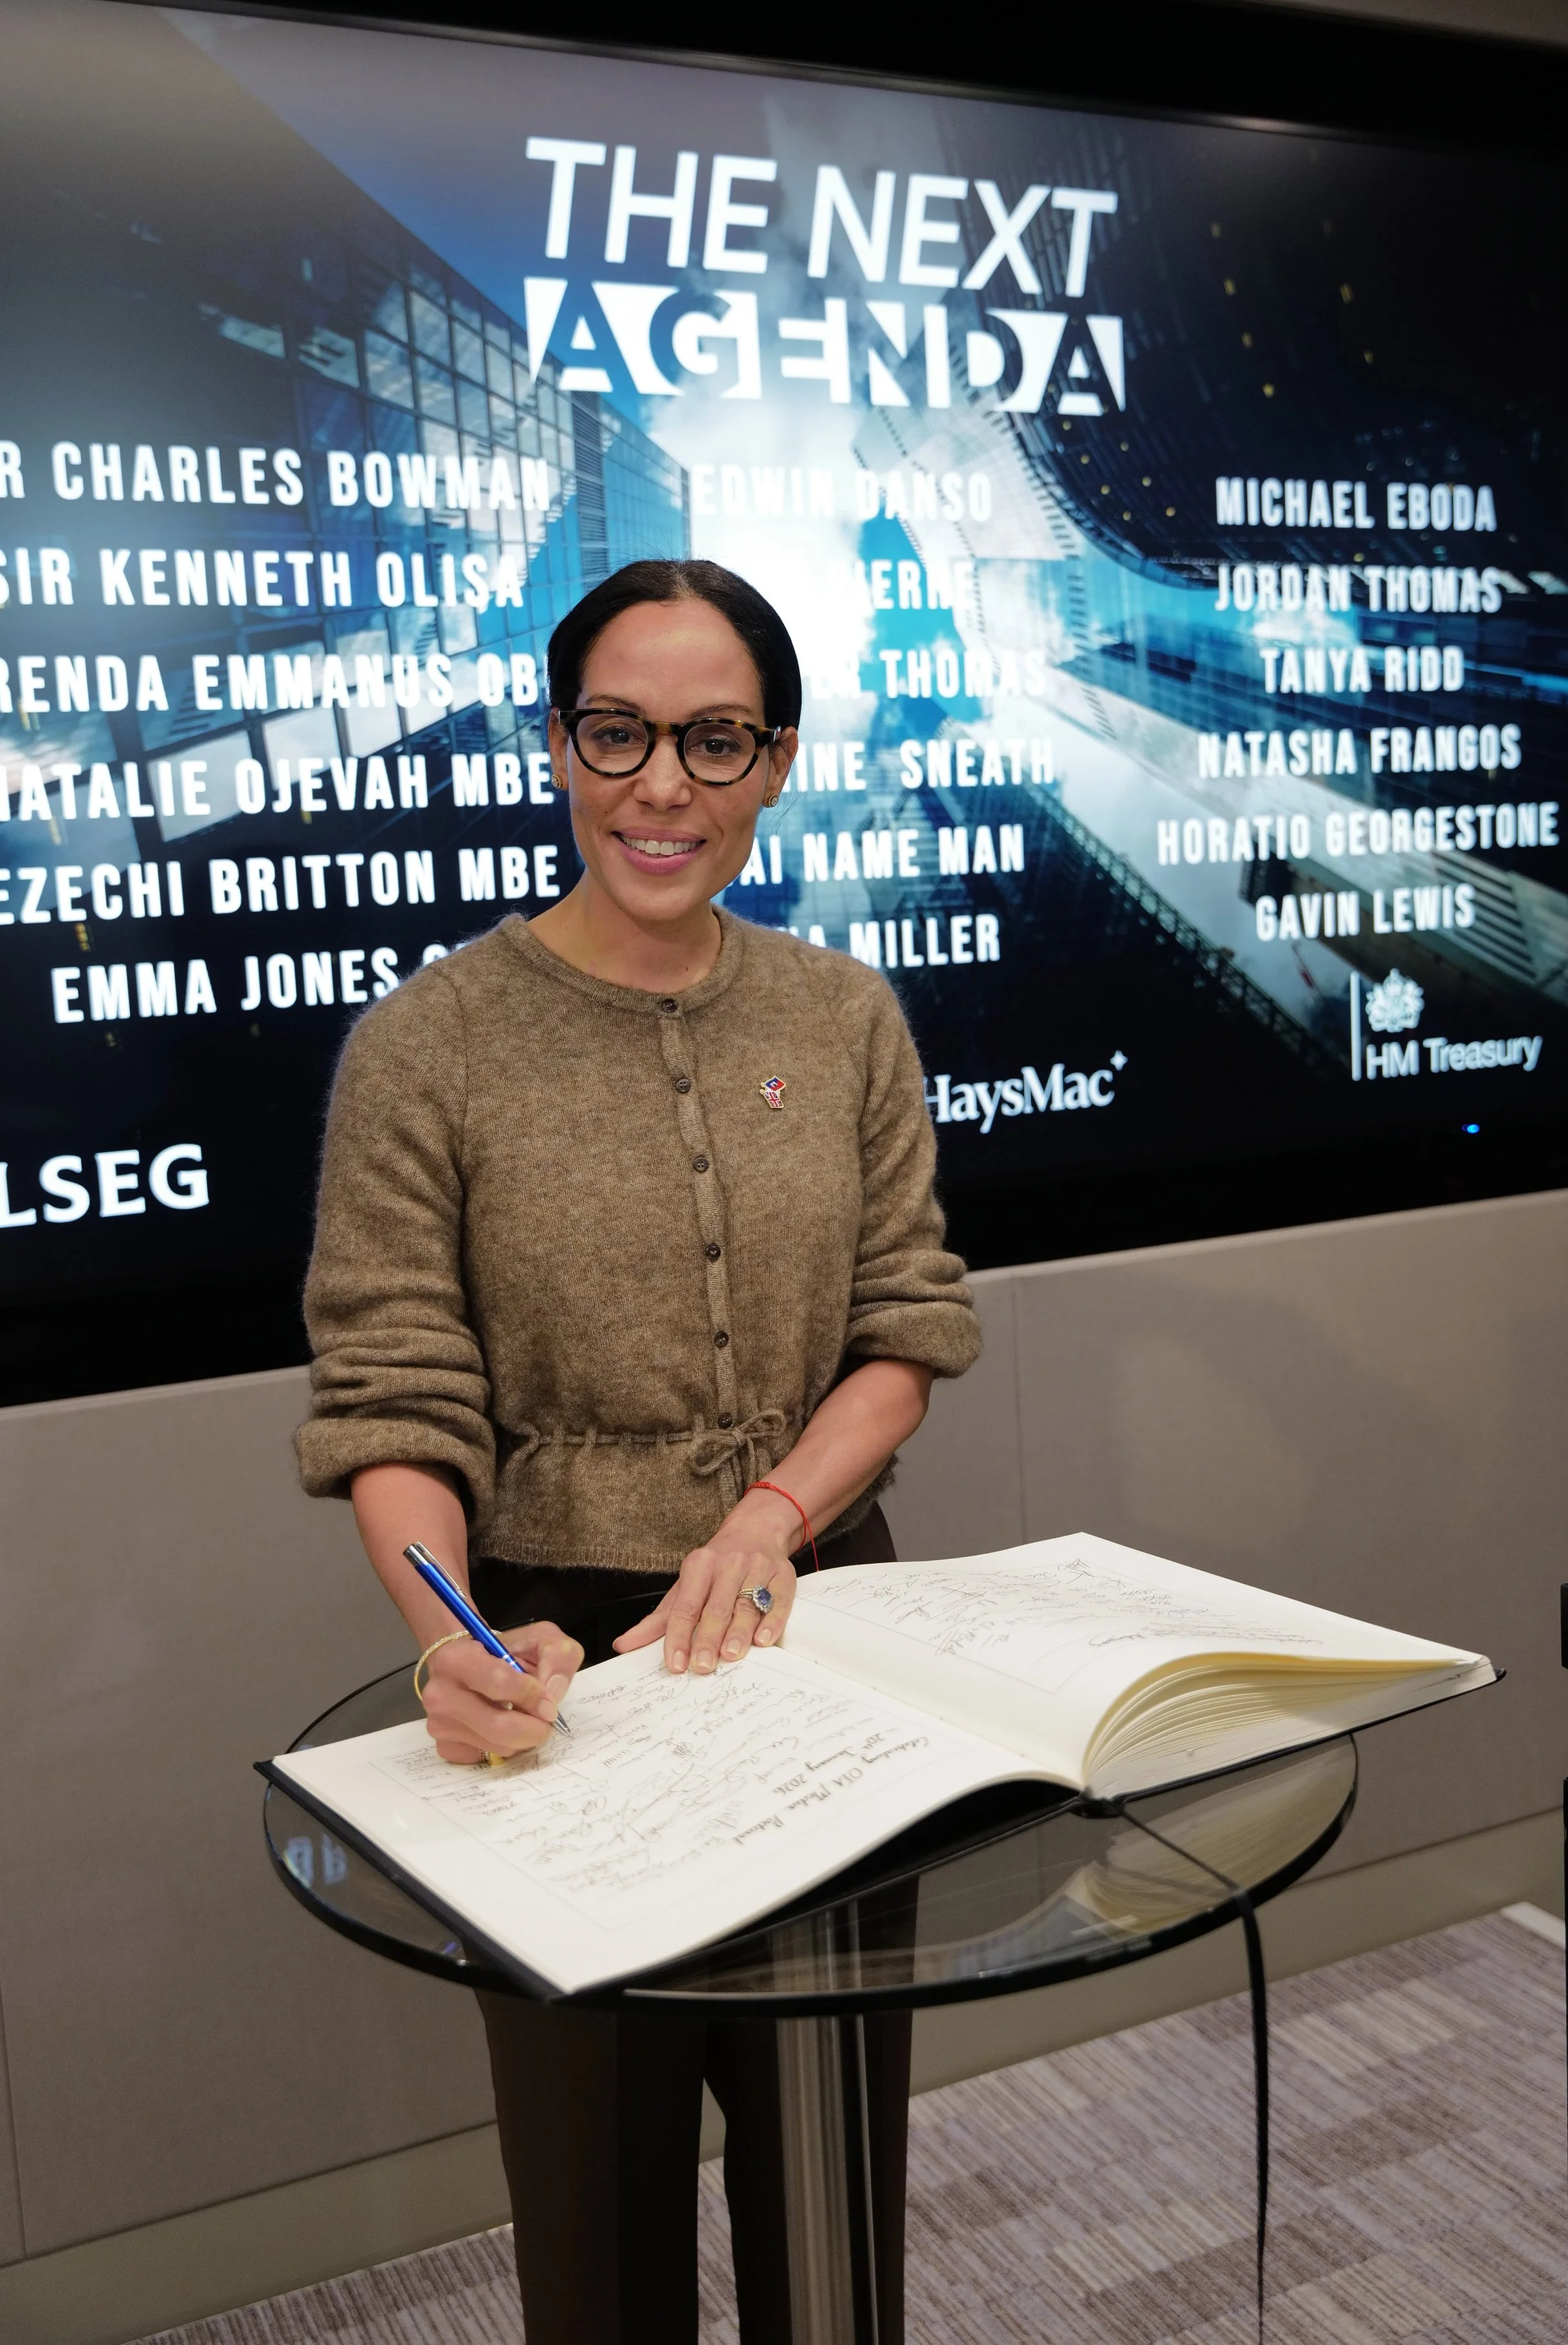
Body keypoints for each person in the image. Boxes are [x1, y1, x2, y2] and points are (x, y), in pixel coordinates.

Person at [296, 557, 981, 2345]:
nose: (659, 785)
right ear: (556, 744)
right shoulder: (425, 1047)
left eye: (710, 739)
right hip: (552, 1659)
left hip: (819, 1629)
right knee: (596, 2209)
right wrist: (445, 1623)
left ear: (776, 760)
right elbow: (394, 1394)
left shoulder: (844, 1019)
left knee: (829, 2168)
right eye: (616, 731)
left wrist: (771, 1510)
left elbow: (905, 1326)